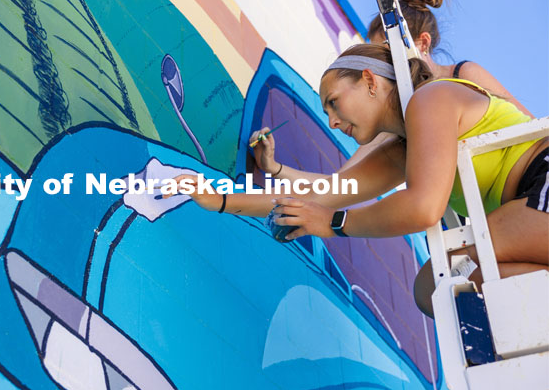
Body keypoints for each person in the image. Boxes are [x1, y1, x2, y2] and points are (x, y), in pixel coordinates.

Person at [171, 44, 548, 316]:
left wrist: (335, 225)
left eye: (333, 102)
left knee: (442, 280)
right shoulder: (404, 150)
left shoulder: (431, 99)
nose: (332, 121)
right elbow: (324, 195)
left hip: (542, 180)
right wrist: (219, 200)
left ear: (369, 80)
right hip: (529, 205)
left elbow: (423, 207)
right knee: (434, 288)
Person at [251, 0, 533, 185]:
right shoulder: (393, 124)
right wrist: (275, 168)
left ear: (423, 43)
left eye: (387, 52)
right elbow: (339, 184)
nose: (382, 63)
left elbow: (531, 130)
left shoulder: (463, 76)